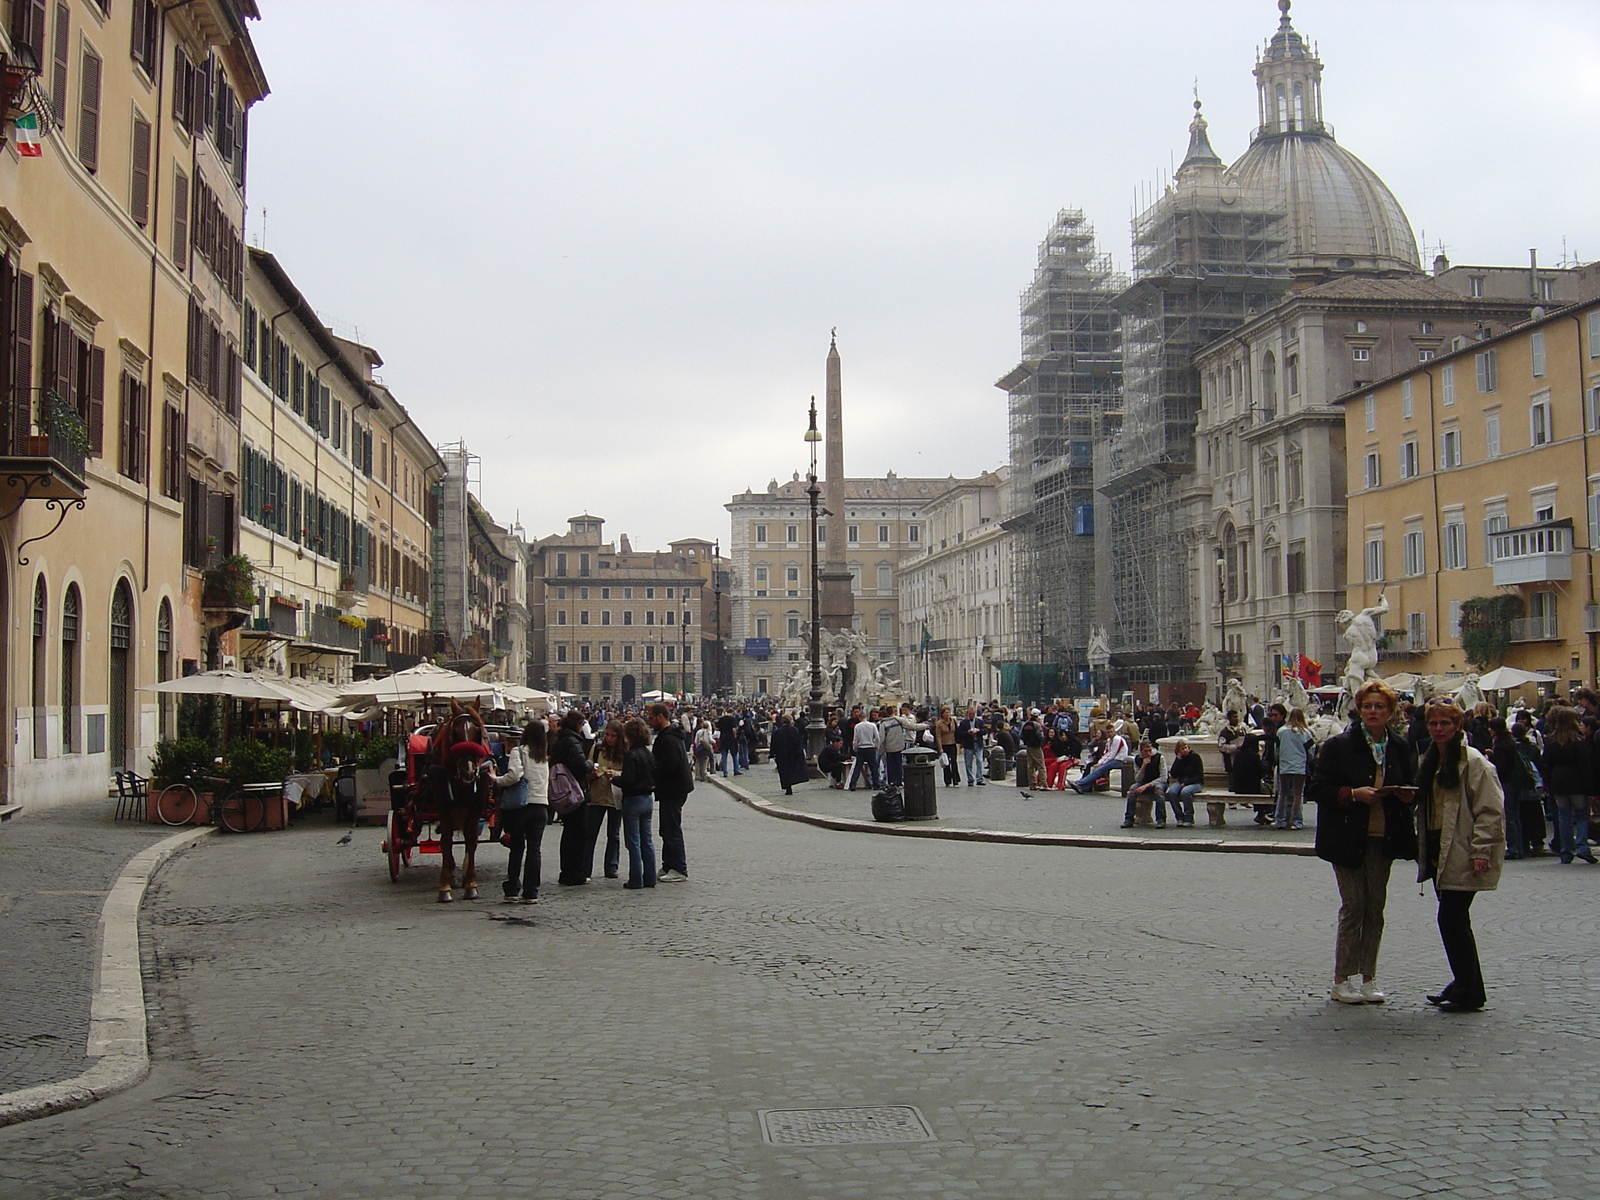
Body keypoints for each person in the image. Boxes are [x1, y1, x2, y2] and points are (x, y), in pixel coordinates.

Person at [1307, 679, 1417, 1005]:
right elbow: (1316, 789)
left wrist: (1404, 794)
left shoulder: (1398, 746)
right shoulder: (1340, 746)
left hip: (1383, 835)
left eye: (1379, 706)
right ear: (1358, 709)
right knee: (1354, 904)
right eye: (1367, 706)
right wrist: (1351, 794)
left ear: (1390, 712)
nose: (1372, 711)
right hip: (1346, 835)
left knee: (1376, 907)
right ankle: (1342, 978)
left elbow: (1409, 781)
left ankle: (1369, 976)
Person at [1414, 698, 1505, 1011]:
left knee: (1450, 919)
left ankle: (1469, 989)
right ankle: (1465, 983)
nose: (1439, 730)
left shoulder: (1473, 761)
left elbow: (1490, 809)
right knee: (1454, 919)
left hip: (1463, 847)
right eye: (1434, 724)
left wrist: (1482, 850)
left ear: (1458, 726)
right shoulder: (1430, 759)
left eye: (1445, 724)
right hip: (1440, 845)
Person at [486, 721, 549, 904]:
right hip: (540, 807)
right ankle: (531, 892)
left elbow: (514, 775)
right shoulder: (543, 756)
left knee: (517, 848)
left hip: (521, 807)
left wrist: (496, 779)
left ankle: (512, 888)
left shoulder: (519, 751)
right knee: (534, 850)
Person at [1538, 705, 1596, 865]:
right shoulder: (1578, 741)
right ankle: (1582, 846)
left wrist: (1548, 783)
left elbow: (1547, 764)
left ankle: (1566, 851)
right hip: (1576, 781)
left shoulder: (1550, 740)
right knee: (1582, 815)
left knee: (1563, 816)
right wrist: (1589, 787)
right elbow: (1585, 766)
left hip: (1558, 781)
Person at [552, 710, 602, 886]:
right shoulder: (572, 742)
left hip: (564, 790)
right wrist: (592, 764)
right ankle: (574, 873)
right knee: (578, 832)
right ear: (578, 725)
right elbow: (580, 765)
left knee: (569, 833)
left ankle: (567, 871)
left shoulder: (560, 740)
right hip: (574, 791)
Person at [647, 703, 694, 882]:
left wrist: (651, 770)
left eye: (651, 718)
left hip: (673, 788)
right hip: (674, 788)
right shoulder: (670, 736)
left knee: (672, 829)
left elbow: (668, 765)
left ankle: (679, 868)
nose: (649, 722)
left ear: (660, 716)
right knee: (666, 829)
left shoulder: (668, 739)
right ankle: (668, 865)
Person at [616, 717, 657, 890]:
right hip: (648, 799)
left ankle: (635, 879)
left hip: (633, 801)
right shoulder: (649, 753)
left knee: (633, 842)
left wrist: (614, 778)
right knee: (647, 840)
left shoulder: (631, 755)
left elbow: (628, 781)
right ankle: (650, 877)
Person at [587, 719, 626, 879]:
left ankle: (611, 867)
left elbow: (628, 774)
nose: (609, 739)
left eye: (613, 736)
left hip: (615, 797)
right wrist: (592, 773)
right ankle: (585, 868)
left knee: (614, 834)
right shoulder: (597, 750)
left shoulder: (625, 752)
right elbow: (588, 769)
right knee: (590, 834)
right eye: (607, 735)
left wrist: (615, 774)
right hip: (597, 796)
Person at [1274, 708, 1312, 830]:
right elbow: (1311, 750)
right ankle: (1296, 821)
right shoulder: (1305, 732)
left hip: (1284, 765)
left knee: (1282, 793)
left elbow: (1276, 750)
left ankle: (1280, 820)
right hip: (1300, 766)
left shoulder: (1281, 731)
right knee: (1298, 794)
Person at [1072, 723, 1129, 793]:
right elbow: (1106, 753)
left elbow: (1112, 754)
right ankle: (1084, 788)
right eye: (1108, 732)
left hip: (1119, 760)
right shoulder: (1109, 740)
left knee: (1099, 770)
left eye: (1111, 732)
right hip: (1113, 759)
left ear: (1114, 731)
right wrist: (1100, 762)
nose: (1110, 733)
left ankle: (1079, 783)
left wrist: (1101, 764)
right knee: (1096, 769)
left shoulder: (1117, 739)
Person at [1122, 740, 1164, 828]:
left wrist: (1147, 785)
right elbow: (1137, 779)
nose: (1148, 753)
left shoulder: (1159, 758)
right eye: (1146, 751)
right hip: (1143, 782)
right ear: (1141, 751)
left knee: (1159, 791)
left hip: (1157, 782)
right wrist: (1143, 767)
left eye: (1150, 750)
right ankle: (1129, 819)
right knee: (1132, 790)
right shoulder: (1137, 759)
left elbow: (1163, 777)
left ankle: (1160, 819)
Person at [1162, 739, 1204, 827]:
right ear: (1178, 751)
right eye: (1182, 749)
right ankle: (1179, 816)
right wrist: (1178, 760)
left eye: (1186, 748)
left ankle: (1189, 817)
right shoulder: (1180, 759)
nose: (1185, 750)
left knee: (1185, 792)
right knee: (1172, 792)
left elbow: (1199, 775)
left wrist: (1186, 783)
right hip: (1181, 781)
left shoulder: (1195, 757)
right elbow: (1174, 774)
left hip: (1195, 783)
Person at [769, 711, 809, 797]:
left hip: (781, 755)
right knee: (791, 770)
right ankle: (790, 784)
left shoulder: (777, 732)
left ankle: (787, 786)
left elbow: (773, 744)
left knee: (784, 771)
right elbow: (798, 742)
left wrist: (772, 754)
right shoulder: (794, 730)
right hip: (792, 754)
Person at [848, 708, 883, 791]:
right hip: (871, 748)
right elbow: (877, 737)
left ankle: (853, 784)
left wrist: (855, 748)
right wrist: (876, 746)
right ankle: (876, 784)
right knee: (874, 767)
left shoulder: (857, 726)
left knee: (858, 767)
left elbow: (855, 739)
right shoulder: (872, 725)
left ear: (860, 718)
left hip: (861, 748)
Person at [957, 707, 988, 787]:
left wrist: (979, 731)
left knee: (979, 761)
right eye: (970, 714)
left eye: (973, 714)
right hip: (968, 744)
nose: (971, 715)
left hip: (978, 743)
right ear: (968, 714)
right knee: (968, 763)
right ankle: (970, 779)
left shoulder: (979, 722)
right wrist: (967, 733)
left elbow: (985, 731)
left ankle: (979, 779)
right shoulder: (964, 722)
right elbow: (959, 733)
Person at [1020, 711, 1046, 789]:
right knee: (1041, 765)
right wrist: (1042, 742)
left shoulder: (1025, 724)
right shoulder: (1037, 725)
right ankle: (1043, 783)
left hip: (1028, 745)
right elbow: (1040, 735)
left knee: (1030, 766)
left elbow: (1021, 735)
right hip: (1036, 746)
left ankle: (1032, 783)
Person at [934, 706, 959, 786]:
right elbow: (938, 736)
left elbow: (957, 731)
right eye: (946, 713)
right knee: (946, 763)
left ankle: (956, 779)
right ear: (942, 714)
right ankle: (947, 780)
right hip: (944, 744)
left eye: (948, 712)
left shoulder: (953, 721)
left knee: (954, 762)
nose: (947, 714)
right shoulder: (939, 723)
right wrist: (940, 748)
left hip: (953, 743)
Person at [716, 709, 740, 777]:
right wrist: (735, 736)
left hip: (723, 738)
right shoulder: (732, 719)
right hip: (731, 738)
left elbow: (717, 728)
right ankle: (736, 770)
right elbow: (733, 729)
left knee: (724, 756)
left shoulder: (721, 719)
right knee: (734, 755)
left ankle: (725, 772)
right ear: (732, 712)